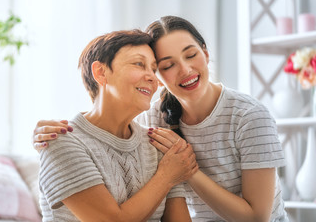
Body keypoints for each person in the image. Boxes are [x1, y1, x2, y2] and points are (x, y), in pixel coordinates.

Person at [33, 16, 288, 221]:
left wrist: (182, 171)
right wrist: (169, 174)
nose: (184, 70)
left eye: (190, 55)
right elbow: (100, 130)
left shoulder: (247, 116)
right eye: (164, 66)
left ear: (206, 53)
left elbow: (257, 217)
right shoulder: (155, 122)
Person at [37, 29, 198, 222]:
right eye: (139, 64)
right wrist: (166, 176)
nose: (153, 78)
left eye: (153, 69)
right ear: (101, 72)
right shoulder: (61, 141)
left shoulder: (158, 144)